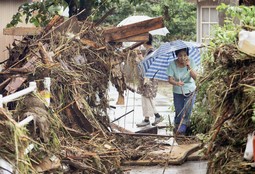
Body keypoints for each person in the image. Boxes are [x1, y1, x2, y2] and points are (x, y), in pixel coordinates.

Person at [166, 48, 197, 135]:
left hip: (190, 89)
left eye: (185, 55)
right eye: (180, 55)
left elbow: (196, 78)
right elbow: (170, 79)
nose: (183, 57)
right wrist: (176, 83)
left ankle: (183, 127)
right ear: (177, 56)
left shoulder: (191, 61)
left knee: (187, 109)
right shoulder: (172, 64)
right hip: (178, 90)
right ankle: (177, 125)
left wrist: (188, 66)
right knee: (179, 110)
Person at [136, 34, 163, 127]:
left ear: (145, 41)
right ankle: (148, 118)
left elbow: (148, 66)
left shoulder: (151, 51)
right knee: (146, 98)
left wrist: (141, 58)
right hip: (149, 78)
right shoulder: (150, 51)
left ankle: (156, 115)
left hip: (149, 79)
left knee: (147, 97)